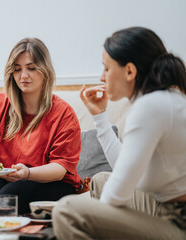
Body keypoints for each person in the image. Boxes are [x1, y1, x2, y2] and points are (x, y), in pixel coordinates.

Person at [53, 26, 186, 239]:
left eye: (106, 68)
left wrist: (97, 220)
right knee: (100, 180)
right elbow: (124, 166)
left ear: (130, 71)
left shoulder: (150, 106)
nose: (101, 77)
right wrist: (99, 116)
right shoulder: (163, 98)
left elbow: (116, 195)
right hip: (165, 203)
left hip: (178, 220)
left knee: (67, 211)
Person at [0, 38, 82, 215]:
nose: (23, 75)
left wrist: (28, 173)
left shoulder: (63, 113)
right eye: (17, 69)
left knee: (6, 198)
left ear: (45, 70)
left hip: (54, 184)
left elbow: (60, 169)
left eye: (31, 68)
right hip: (9, 179)